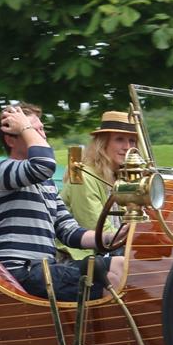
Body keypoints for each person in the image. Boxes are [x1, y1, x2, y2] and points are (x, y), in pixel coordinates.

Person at [0, 103, 127, 298]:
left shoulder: (46, 182)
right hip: (19, 272)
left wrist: (113, 237)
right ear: (11, 140)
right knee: (110, 279)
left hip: (42, 270)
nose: (43, 136)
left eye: (42, 129)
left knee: (123, 265)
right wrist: (25, 127)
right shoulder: (0, 171)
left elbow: (69, 231)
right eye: (34, 131)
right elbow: (44, 163)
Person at [62, 110, 141, 261]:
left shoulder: (125, 177)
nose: (127, 147)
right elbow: (98, 230)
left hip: (115, 252)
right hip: (84, 261)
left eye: (132, 141)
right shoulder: (84, 177)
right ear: (102, 143)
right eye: (119, 139)